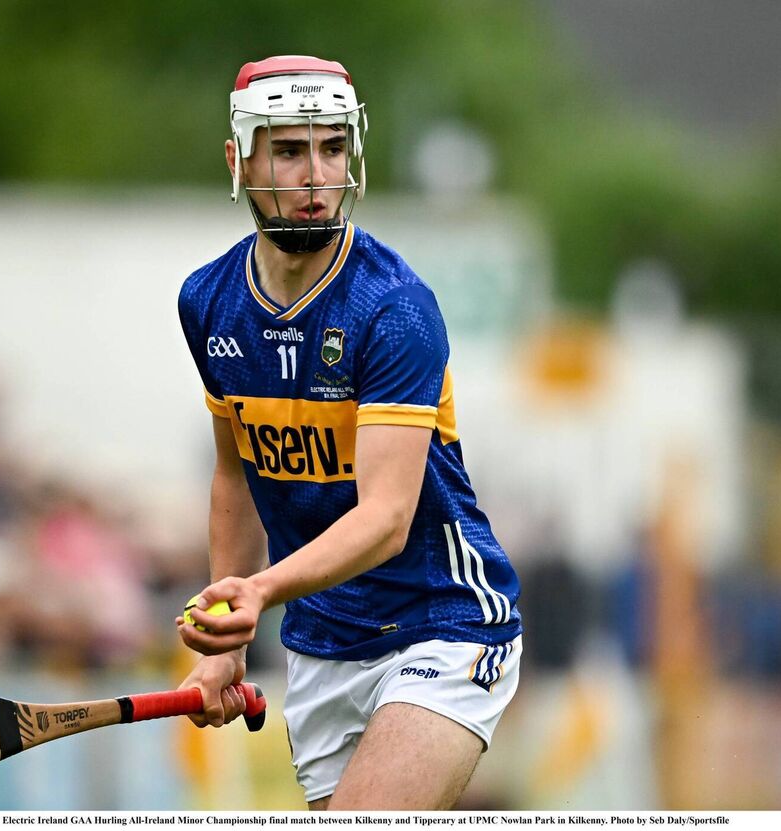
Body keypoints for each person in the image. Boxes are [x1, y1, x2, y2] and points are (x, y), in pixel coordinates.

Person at [175, 55, 522, 810]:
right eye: (290, 151)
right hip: (323, 645)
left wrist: (257, 591)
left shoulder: (393, 308)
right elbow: (235, 476)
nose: (315, 176)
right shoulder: (207, 302)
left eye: (331, 148)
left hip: (444, 620)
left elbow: (387, 518)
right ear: (240, 160)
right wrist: (226, 644)